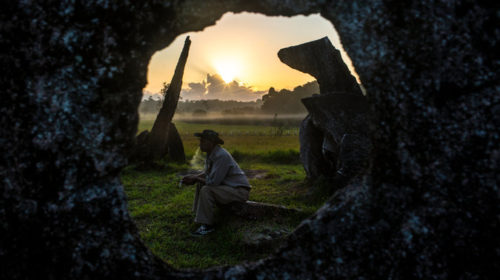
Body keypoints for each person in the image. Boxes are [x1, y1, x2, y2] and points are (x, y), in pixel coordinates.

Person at [181, 129, 251, 236]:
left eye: (203, 142)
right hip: (230, 188)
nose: (200, 144)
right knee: (201, 183)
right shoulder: (212, 154)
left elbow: (213, 182)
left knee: (206, 190)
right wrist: (194, 177)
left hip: (239, 191)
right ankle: (199, 217)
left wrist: (195, 178)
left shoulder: (221, 156)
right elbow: (207, 172)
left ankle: (207, 226)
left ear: (211, 143)